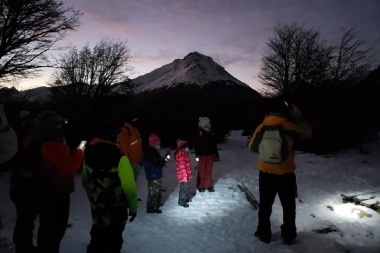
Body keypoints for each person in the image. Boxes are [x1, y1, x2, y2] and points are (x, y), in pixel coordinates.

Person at [11, 110, 84, 253]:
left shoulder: (33, 137)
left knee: (42, 227)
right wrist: (80, 151)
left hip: (41, 190)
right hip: (56, 193)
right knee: (53, 230)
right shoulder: (52, 144)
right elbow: (69, 167)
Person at [247, 100, 312, 245]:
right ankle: (288, 235)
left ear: (270, 112)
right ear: (285, 112)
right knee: (288, 206)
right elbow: (307, 134)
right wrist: (299, 118)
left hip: (266, 174)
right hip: (286, 174)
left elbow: (251, 147)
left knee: (265, 205)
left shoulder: (261, 127)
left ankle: (263, 233)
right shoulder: (289, 126)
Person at [82, 121, 138, 253]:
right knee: (113, 242)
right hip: (116, 212)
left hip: (97, 210)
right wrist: (133, 208)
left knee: (97, 238)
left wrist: (94, 199)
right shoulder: (120, 159)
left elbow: (85, 182)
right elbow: (129, 188)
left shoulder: (88, 156)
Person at [142, 134, 169, 213]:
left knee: (157, 190)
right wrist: (165, 160)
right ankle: (151, 208)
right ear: (153, 144)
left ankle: (156, 205)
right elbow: (158, 163)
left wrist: (163, 159)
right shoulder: (151, 152)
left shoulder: (152, 151)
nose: (159, 145)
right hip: (153, 174)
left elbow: (158, 161)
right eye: (158, 144)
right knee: (154, 191)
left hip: (154, 174)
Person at [193, 117, 219, 193]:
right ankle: (201, 186)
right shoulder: (199, 133)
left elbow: (214, 144)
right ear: (203, 124)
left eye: (209, 123)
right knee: (202, 171)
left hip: (210, 155)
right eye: (208, 123)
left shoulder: (210, 132)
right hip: (202, 155)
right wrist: (197, 154)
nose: (209, 125)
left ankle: (208, 186)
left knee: (209, 171)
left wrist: (216, 154)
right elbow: (196, 145)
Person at [174, 139, 193, 208]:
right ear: (183, 148)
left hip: (186, 175)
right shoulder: (181, 155)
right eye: (187, 147)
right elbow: (182, 167)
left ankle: (185, 198)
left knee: (186, 188)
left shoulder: (185, 154)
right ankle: (182, 201)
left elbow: (187, 165)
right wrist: (185, 176)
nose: (188, 148)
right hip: (183, 176)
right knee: (183, 189)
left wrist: (189, 175)